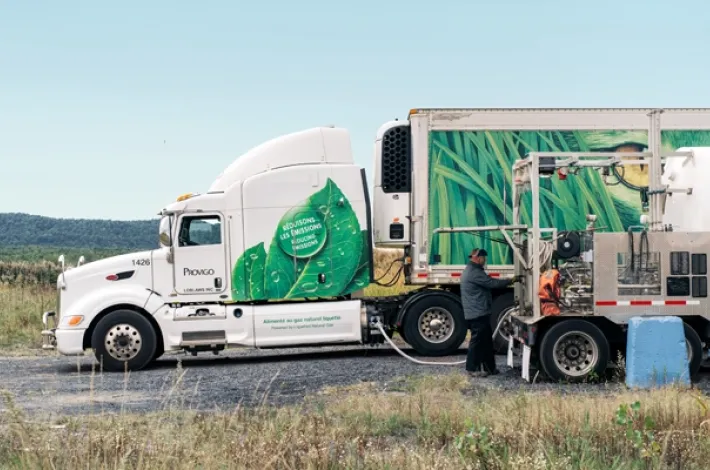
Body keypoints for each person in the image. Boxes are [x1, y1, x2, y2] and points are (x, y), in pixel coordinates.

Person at [461, 248, 521, 377]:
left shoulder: (472, 270)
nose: (485, 261)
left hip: (478, 312)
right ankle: (471, 369)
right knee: (477, 341)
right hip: (477, 313)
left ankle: (489, 368)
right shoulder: (474, 272)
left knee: (487, 342)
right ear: (477, 258)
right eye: (484, 258)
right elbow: (492, 283)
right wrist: (511, 280)